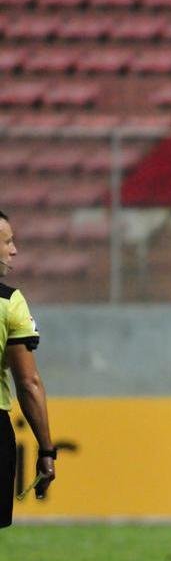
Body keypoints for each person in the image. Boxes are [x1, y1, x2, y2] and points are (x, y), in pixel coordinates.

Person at [0, 211, 55, 527]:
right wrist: (47, 450)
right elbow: (29, 382)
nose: (14, 250)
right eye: (7, 241)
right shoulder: (9, 303)